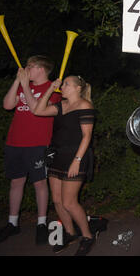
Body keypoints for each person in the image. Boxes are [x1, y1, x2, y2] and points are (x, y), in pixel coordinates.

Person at [0, 56, 61, 245]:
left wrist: (26, 87)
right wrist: (17, 82)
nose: (26, 68)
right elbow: (7, 105)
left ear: (42, 69)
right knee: (16, 182)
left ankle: (41, 223)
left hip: (38, 143)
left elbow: (35, 109)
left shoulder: (53, 89)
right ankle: (12, 223)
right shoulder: (22, 86)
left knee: (39, 183)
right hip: (14, 142)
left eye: (30, 66)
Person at [33, 75, 96, 255]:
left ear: (77, 88)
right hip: (57, 155)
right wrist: (50, 90)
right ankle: (69, 233)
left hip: (76, 156)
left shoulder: (85, 105)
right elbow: (38, 110)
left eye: (66, 84)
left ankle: (87, 236)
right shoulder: (61, 106)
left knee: (69, 202)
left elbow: (87, 137)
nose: (62, 86)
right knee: (57, 200)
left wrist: (76, 161)